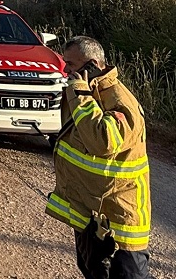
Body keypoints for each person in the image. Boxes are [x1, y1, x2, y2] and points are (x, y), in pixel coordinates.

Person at [46, 36, 152, 279]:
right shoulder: (88, 90)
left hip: (120, 215)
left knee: (129, 276)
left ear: (92, 64)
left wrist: (80, 94)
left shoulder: (118, 99)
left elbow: (102, 141)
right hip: (90, 211)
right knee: (93, 270)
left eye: (71, 64)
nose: (66, 71)